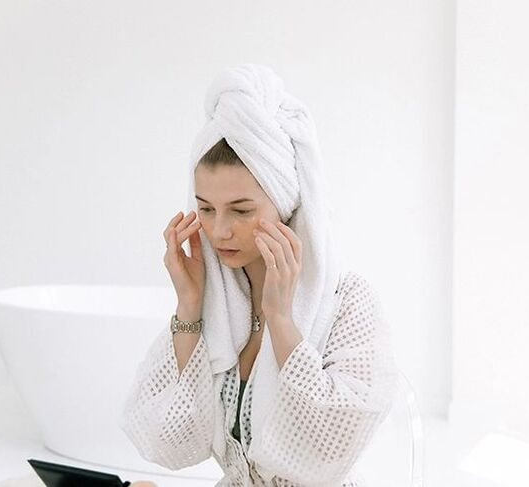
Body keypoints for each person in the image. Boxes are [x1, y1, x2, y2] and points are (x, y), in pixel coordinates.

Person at [120, 64, 399, 486]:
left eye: (242, 210)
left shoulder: (347, 301)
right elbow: (168, 442)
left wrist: (282, 320)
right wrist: (189, 306)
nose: (218, 231)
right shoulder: (217, 301)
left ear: (284, 205)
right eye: (206, 209)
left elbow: (330, 451)